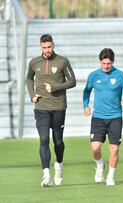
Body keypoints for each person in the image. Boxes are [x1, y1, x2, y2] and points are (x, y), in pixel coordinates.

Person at [26, 34, 76, 187]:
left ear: (53, 45)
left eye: (49, 47)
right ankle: (46, 175)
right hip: (41, 107)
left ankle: (59, 165)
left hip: (58, 107)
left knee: (58, 141)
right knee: (43, 139)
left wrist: (55, 87)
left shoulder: (62, 61)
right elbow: (29, 78)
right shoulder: (34, 62)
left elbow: (72, 81)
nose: (47, 50)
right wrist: (32, 94)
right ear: (40, 47)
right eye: (44, 47)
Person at [83, 48, 123, 186]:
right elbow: (86, 92)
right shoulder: (93, 76)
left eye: (109, 63)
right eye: (104, 63)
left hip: (115, 118)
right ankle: (100, 165)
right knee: (95, 148)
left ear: (113, 62)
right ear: (100, 61)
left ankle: (110, 176)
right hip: (98, 118)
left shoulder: (120, 75)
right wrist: (85, 106)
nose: (106, 66)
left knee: (115, 149)